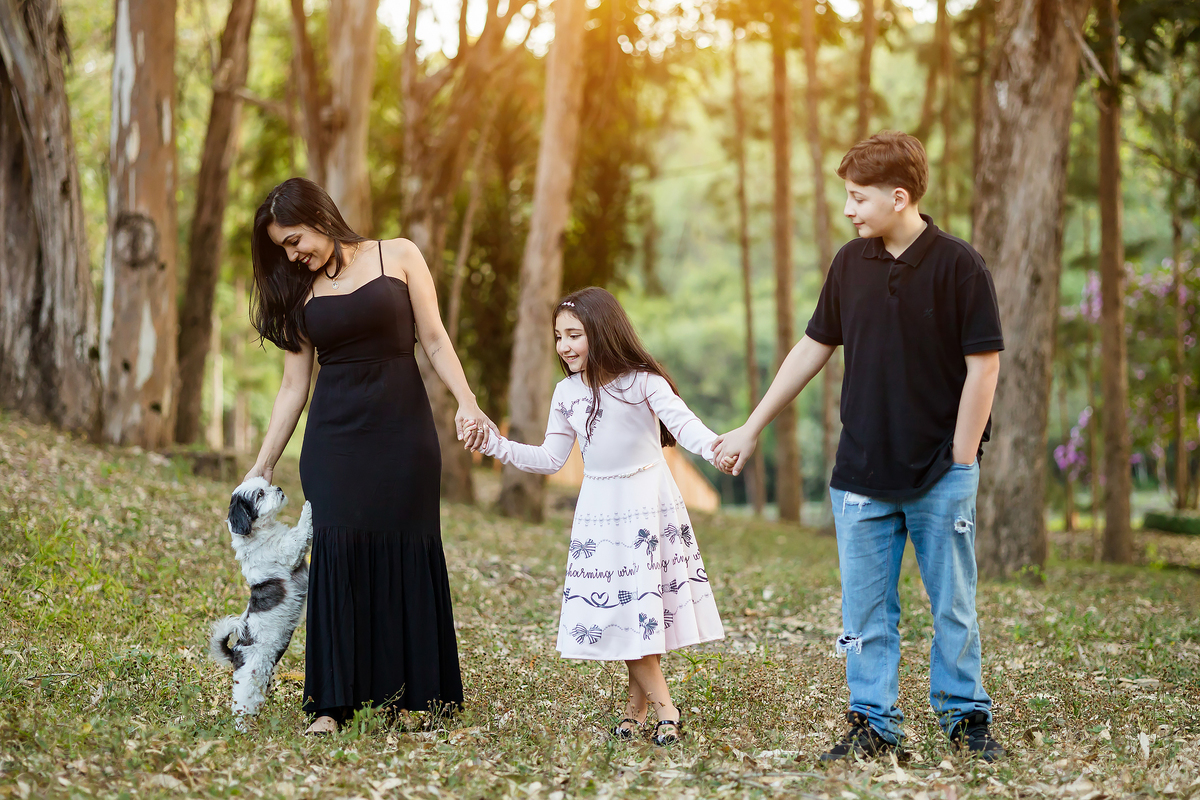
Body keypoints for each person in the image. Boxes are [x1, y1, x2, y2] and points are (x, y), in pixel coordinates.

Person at [714, 131, 1007, 762]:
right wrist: (751, 426)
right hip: (860, 475)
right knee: (864, 614)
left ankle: (965, 719)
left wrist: (961, 458)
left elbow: (983, 366)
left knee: (953, 606)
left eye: (858, 197)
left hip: (940, 472)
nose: (848, 209)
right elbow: (812, 348)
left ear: (898, 198)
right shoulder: (850, 263)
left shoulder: (959, 265)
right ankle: (874, 723)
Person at [243, 177, 496, 734]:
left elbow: (435, 338)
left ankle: (415, 695)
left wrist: (468, 403)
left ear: (319, 215)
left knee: (409, 548)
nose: (293, 255)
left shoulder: (398, 255)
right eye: (283, 249)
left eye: (295, 239)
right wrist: (262, 464)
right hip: (335, 441)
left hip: (404, 434)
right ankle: (331, 705)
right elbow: (293, 387)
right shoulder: (299, 293)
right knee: (338, 555)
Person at [464, 287, 725, 746]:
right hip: (600, 512)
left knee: (637, 609)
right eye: (558, 336)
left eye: (574, 335)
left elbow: (684, 425)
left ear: (602, 331)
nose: (564, 346)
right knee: (624, 610)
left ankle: (664, 710)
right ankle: (637, 710)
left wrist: (718, 449)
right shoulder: (566, 393)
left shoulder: (644, 382)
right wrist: (496, 446)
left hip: (646, 504)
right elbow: (550, 458)